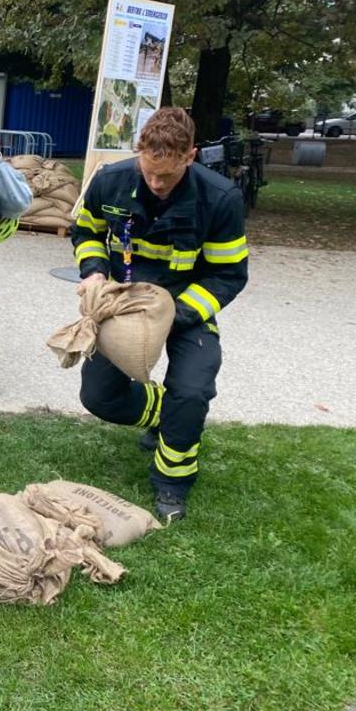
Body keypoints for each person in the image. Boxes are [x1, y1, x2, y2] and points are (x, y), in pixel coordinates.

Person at [70, 106, 248, 522]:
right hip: (125, 305)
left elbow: (228, 274)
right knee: (98, 398)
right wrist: (95, 272)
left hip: (187, 307)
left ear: (191, 155)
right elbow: (86, 231)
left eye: (167, 176)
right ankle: (169, 415)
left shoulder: (220, 198)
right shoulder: (110, 181)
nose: (156, 183)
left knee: (192, 390)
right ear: (138, 152)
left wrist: (178, 314)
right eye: (149, 172)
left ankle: (171, 483)